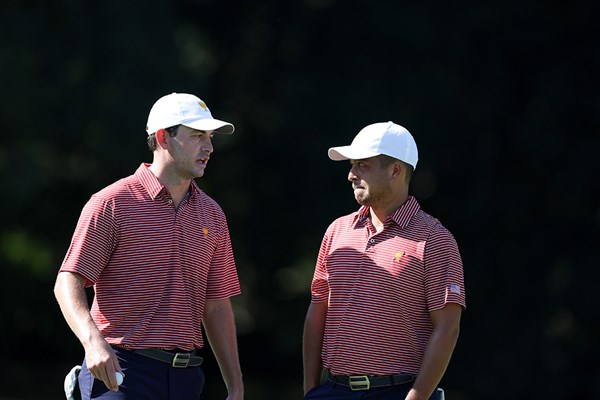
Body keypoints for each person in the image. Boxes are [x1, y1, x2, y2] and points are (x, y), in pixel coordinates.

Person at [54, 92, 244, 400]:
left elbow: (217, 304)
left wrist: (235, 386)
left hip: (187, 378)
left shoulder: (213, 214)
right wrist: (92, 341)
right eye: (197, 136)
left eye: (209, 138)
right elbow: (68, 281)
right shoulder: (112, 203)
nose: (209, 147)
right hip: (122, 373)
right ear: (163, 138)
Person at [302, 121, 466, 400]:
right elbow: (318, 312)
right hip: (332, 391)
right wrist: (311, 390)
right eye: (352, 165)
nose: (351, 175)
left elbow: (447, 327)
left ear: (395, 170)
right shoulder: (336, 231)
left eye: (362, 166)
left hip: (399, 392)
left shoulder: (434, 239)